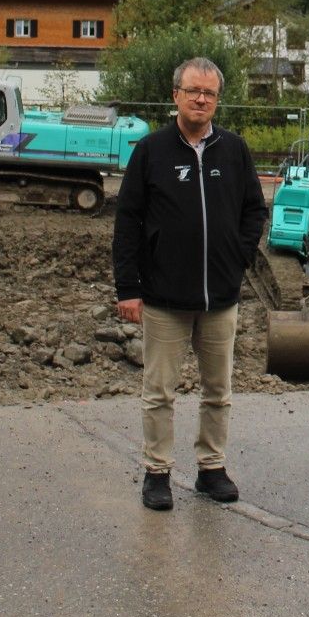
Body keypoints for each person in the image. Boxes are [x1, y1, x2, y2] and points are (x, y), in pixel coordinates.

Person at [113, 57, 268, 511]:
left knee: (218, 391)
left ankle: (211, 468)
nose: (201, 99)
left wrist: (236, 259)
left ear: (217, 100)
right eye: (193, 91)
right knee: (159, 392)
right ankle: (157, 472)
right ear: (176, 95)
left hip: (220, 299)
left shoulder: (234, 150)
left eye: (210, 93)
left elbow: (254, 210)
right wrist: (128, 287)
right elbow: (128, 221)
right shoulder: (151, 151)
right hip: (163, 299)